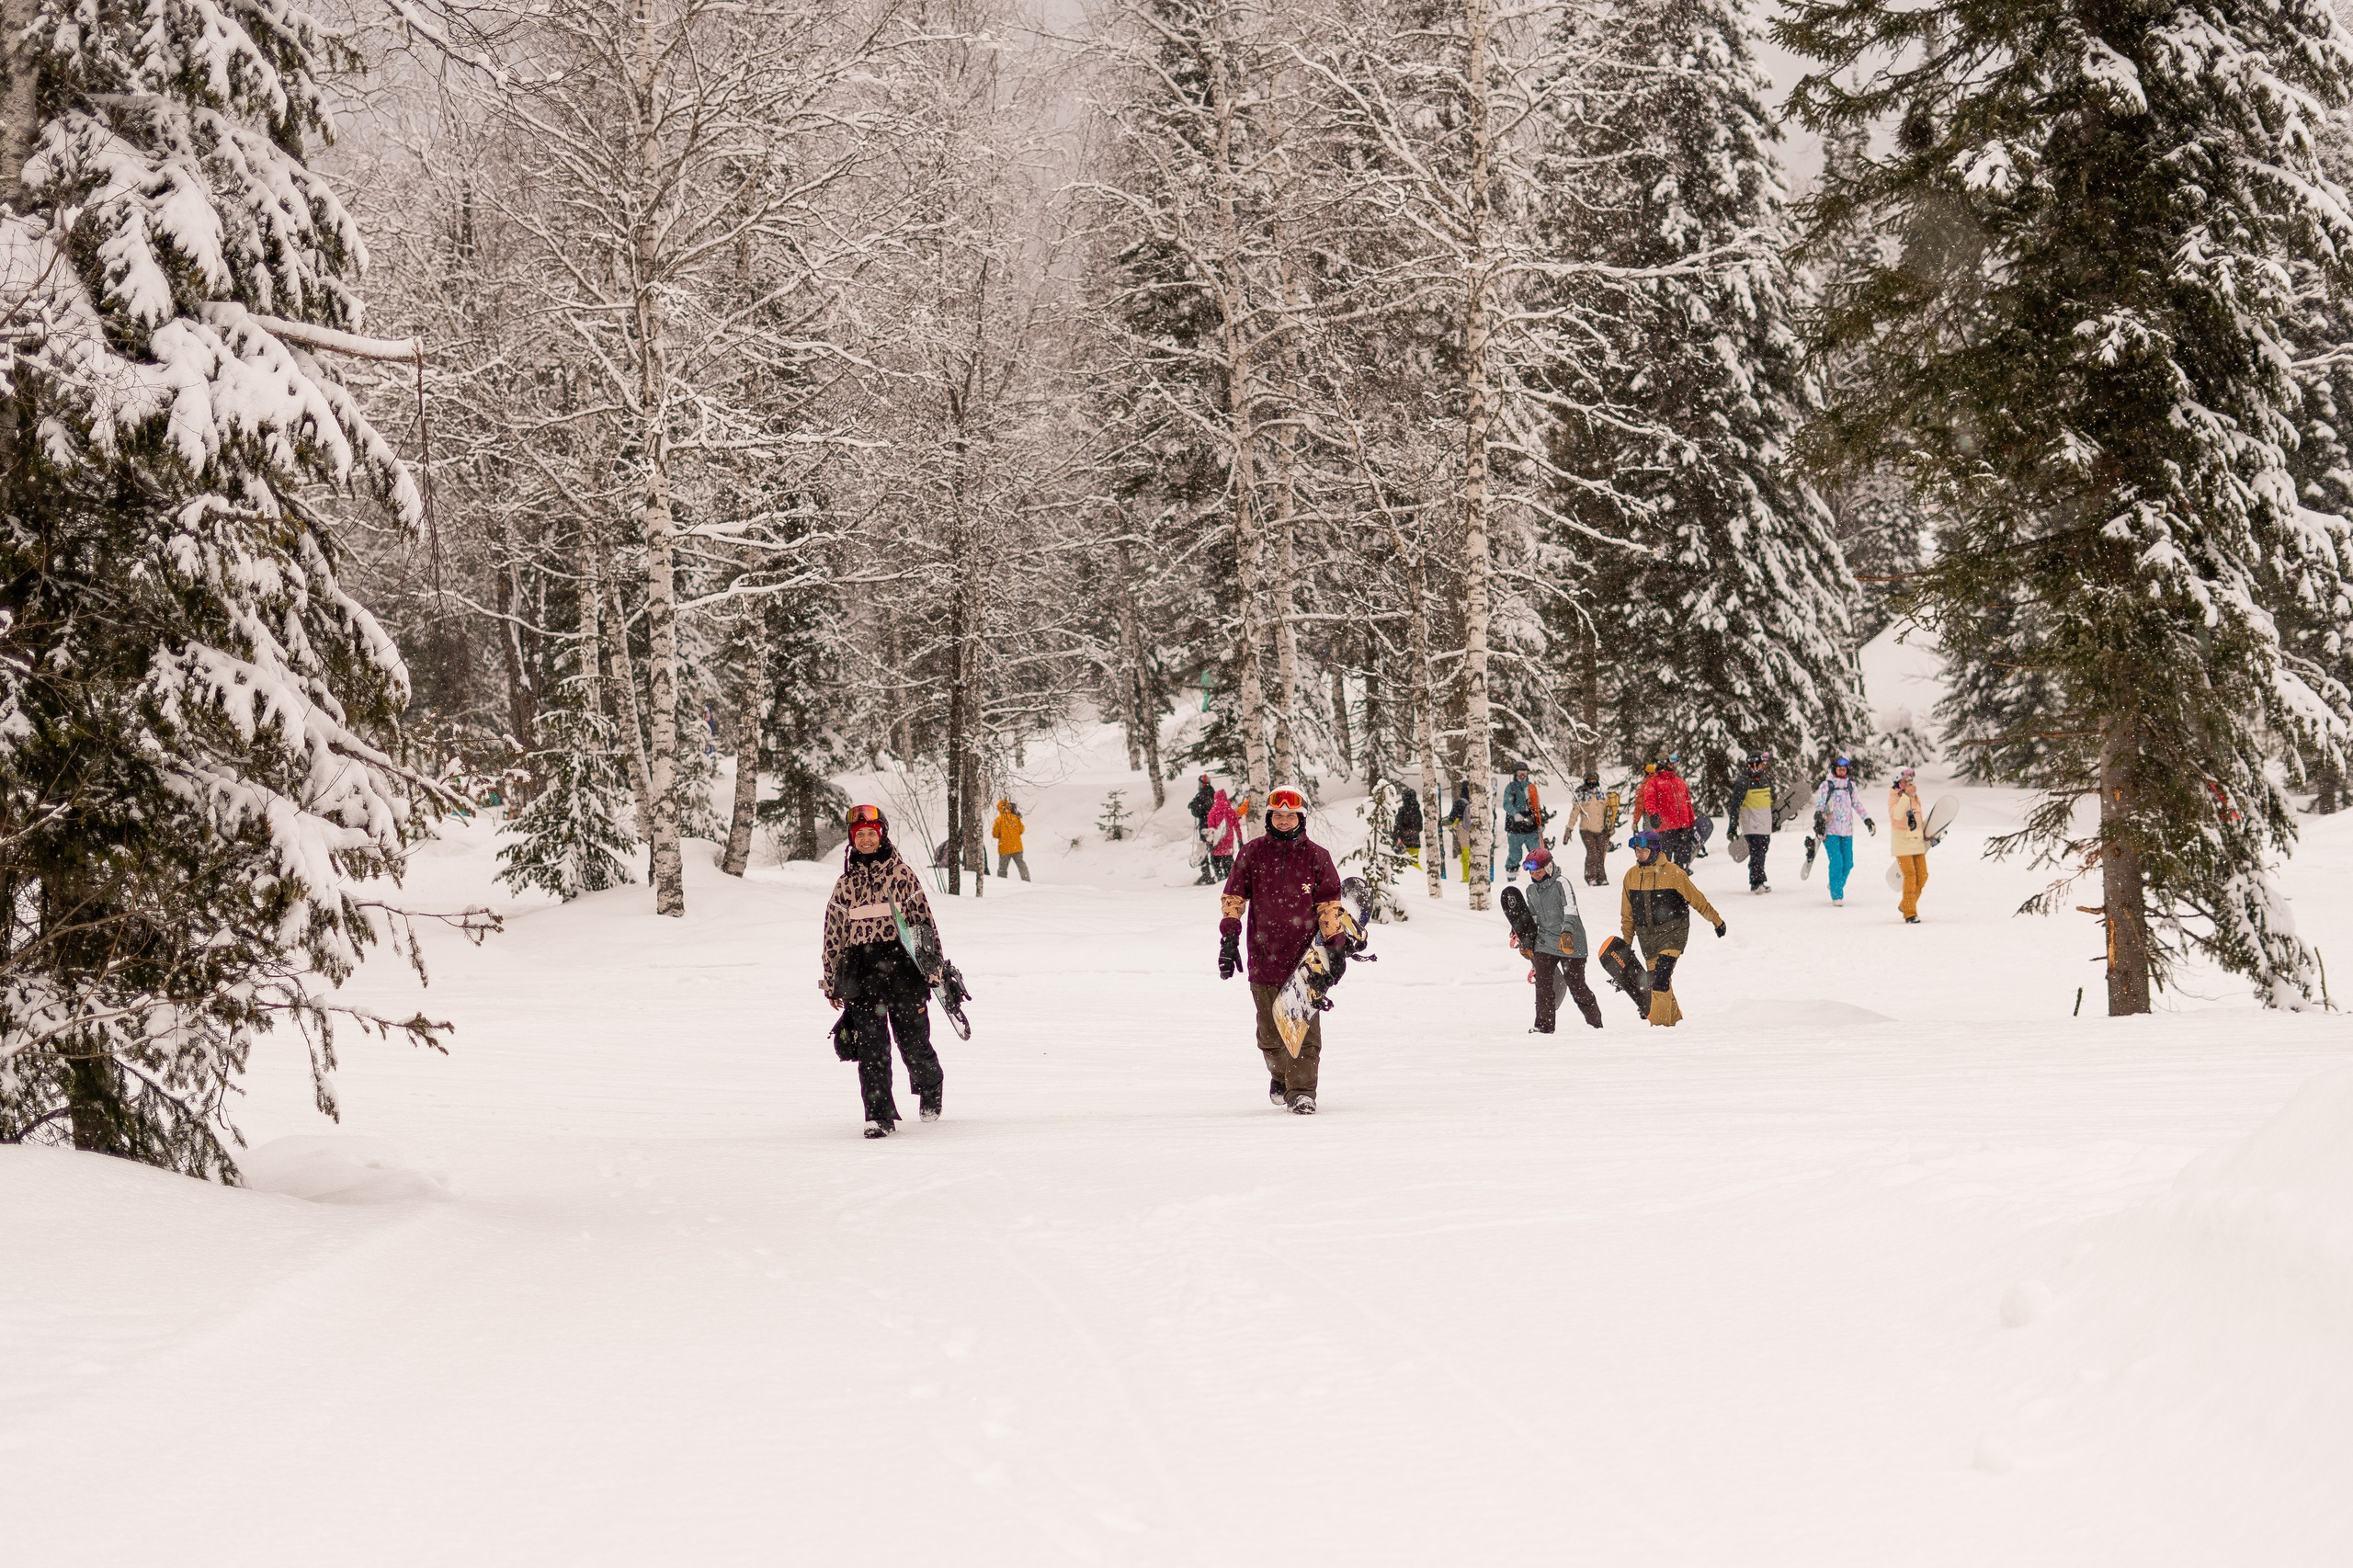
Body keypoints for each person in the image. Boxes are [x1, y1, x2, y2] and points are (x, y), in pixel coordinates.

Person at [1219, 784, 1348, 1113]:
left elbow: (1329, 905)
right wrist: (1229, 937)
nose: (1284, 820)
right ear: (1269, 816)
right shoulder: (1252, 853)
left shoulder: (1317, 857)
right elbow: (1234, 898)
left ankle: (1301, 1092)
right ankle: (1280, 1075)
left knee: (1304, 1033)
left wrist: (1335, 946)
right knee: (1270, 1037)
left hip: (1305, 963)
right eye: (1278, 814)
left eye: (1291, 815)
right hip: (1263, 958)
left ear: (1301, 818)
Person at [822, 804, 947, 1138]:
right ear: (852, 839)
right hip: (862, 975)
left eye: (871, 833)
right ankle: (879, 1115)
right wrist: (832, 980)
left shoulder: (902, 875)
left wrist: (933, 968)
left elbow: (924, 923)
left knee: (913, 1045)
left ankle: (930, 1084)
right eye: (859, 834)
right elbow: (834, 932)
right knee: (872, 1050)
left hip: (904, 971)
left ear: (881, 835)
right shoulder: (844, 884)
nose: (865, 839)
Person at [1620, 828, 1725, 1028]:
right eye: (1636, 850)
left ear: (1655, 849)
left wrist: (1716, 920)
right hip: (1647, 939)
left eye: (1643, 849)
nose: (1638, 853)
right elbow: (1628, 915)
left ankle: (1659, 1031)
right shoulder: (1631, 876)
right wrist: (1626, 943)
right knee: (1660, 983)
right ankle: (1675, 1023)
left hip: (1673, 933)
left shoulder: (1674, 873)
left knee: (1660, 979)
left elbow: (1697, 899)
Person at [1516, 846, 1602, 1031]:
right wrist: (1525, 939)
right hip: (1545, 942)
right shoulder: (1531, 890)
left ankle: (1595, 1024)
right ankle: (1544, 1026)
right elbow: (1534, 918)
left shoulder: (1562, 883)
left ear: (1548, 867)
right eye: (1532, 872)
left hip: (1570, 942)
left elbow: (1570, 908)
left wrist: (1567, 931)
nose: (1536, 875)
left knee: (1576, 985)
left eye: (1539, 871)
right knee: (1543, 986)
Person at [1809, 756, 1874, 905]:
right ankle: (1837, 894)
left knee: (1848, 863)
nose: (1842, 771)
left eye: (1844, 769)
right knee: (1837, 862)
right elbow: (1819, 805)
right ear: (1834, 769)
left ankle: (1834, 884)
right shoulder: (1826, 785)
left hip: (1847, 830)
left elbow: (1857, 804)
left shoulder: (1850, 786)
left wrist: (1867, 819)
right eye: (1839, 769)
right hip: (1830, 830)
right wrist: (1819, 820)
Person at [1731, 750, 1781, 894]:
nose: (1764, 767)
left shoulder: (1765, 780)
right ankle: (1755, 882)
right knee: (1757, 852)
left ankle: (1759, 879)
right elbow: (1735, 805)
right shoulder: (1743, 782)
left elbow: (1770, 801)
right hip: (1751, 823)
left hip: (1764, 824)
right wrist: (1732, 826)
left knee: (1762, 852)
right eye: (1761, 764)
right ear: (1753, 764)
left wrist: (1775, 820)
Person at [1635, 757, 1697, 869]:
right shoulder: (1653, 783)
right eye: (1670, 763)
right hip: (1665, 828)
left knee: (1683, 862)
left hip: (1683, 827)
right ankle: (1664, 884)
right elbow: (1649, 801)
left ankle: (1681, 880)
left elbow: (1688, 804)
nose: (1673, 765)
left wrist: (1691, 823)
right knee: (1663, 862)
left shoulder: (1680, 782)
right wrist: (1653, 814)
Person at [1890, 766, 1932, 923]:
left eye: (1909, 780)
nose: (1908, 783)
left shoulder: (1914, 797)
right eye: (1904, 781)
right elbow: (1897, 815)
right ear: (1897, 782)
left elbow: (1917, 820)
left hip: (1916, 842)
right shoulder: (1894, 796)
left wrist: (1928, 835)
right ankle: (1910, 913)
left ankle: (1906, 904)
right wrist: (1906, 796)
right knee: (1910, 876)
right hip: (1902, 842)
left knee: (1923, 875)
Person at [1502, 765, 1544, 882]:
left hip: (1530, 825)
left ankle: (1538, 877)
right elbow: (1506, 804)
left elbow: (1536, 806)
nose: (1522, 777)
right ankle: (1512, 877)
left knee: (1535, 852)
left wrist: (1539, 823)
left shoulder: (1531, 787)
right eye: (1519, 774)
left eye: (1524, 774)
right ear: (1515, 775)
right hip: (1515, 826)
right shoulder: (1511, 787)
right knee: (1515, 854)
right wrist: (1515, 813)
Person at [1570, 771, 1610, 886]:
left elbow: (1606, 812)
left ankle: (1601, 877)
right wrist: (1569, 828)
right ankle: (1591, 877)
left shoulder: (1601, 794)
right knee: (1592, 853)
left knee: (1601, 853)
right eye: (1590, 780)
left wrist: (1610, 827)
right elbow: (1575, 812)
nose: (1592, 782)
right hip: (1586, 829)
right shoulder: (1580, 794)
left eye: (1594, 780)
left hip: (1601, 829)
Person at [1205, 786, 1242, 881]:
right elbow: (1237, 827)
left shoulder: (1212, 812)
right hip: (1228, 843)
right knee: (1229, 865)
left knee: (1215, 861)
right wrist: (1240, 840)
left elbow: (1211, 830)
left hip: (1217, 842)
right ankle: (1229, 880)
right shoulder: (1231, 811)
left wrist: (1209, 842)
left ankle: (1219, 877)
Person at [1188, 774, 1219, 884]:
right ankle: (1218, 873)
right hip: (1214, 827)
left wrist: (1193, 806)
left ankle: (1206, 874)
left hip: (1204, 827)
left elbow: (1198, 811)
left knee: (1203, 850)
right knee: (1213, 849)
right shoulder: (1213, 793)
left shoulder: (1201, 795)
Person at [990, 798, 1029, 881]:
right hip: (1017, 847)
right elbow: (1021, 830)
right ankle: (1027, 881)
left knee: (1002, 869)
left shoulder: (999, 820)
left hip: (1004, 849)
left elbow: (995, 835)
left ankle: (1002, 882)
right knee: (1021, 866)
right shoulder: (1015, 817)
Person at [1392, 785, 1425, 865]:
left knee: (1405, 865)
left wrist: (1394, 838)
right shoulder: (1417, 810)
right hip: (1415, 842)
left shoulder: (1402, 811)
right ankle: (1419, 876)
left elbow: (1398, 827)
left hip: (1403, 843)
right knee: (1414, 863)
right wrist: (1412, 832)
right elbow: (1420, 827)